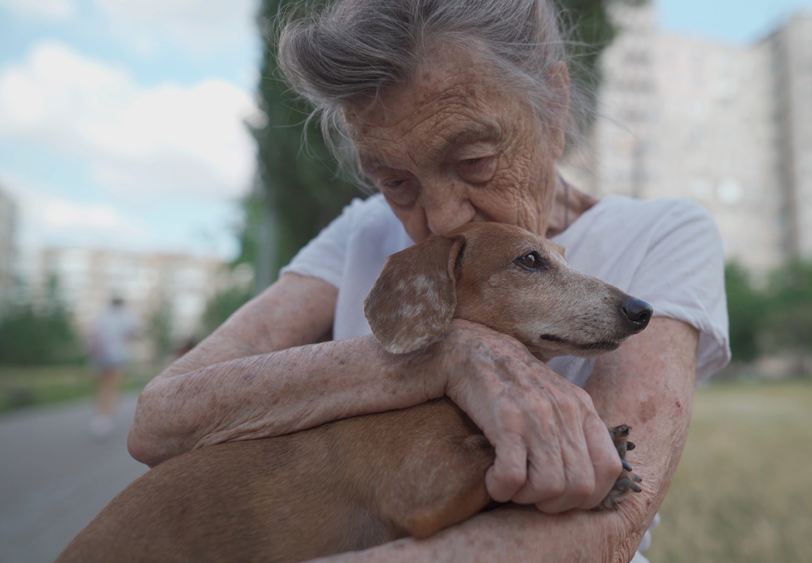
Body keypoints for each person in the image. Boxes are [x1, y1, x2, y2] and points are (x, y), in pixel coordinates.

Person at [127, 1, 730, 561]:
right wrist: (445, 357)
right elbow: (159, 419)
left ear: (554, 107)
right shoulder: (359, 236)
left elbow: (610, 526)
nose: (440, 218)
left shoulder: (661, 235)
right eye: (395, 181)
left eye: (473, 162)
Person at [87, 296, 138, 436]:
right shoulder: (126, 316)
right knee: (112, 388)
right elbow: (133, 334)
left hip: (100, 357)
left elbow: (93, 336)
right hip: (117, 357)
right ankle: (106, 418)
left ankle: (99, 417)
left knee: (102, 387)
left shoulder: (101, 316)